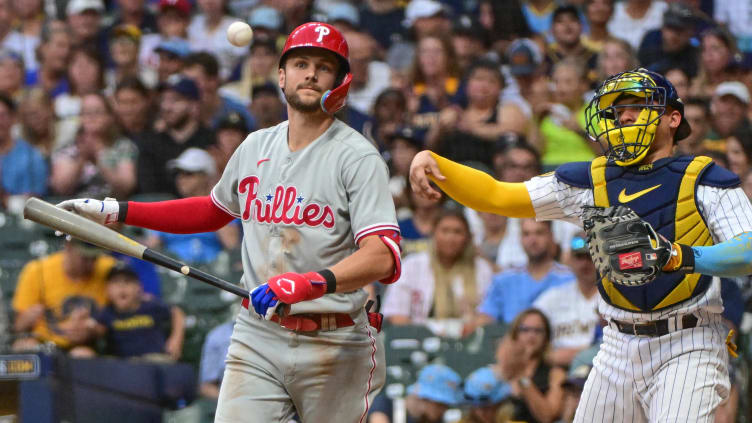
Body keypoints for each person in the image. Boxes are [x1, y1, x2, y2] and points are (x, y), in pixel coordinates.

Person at [58, 22, 401, 422]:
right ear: (281, 75)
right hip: (260, 332)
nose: (310, 73)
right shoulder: (256, 145)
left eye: (324, 67)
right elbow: (213, 210)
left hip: (336, 338)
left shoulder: (357, 157)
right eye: (301, 63)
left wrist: (310, 282)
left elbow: (383, 257)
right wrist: (118, 211)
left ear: (341, 82)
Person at [409, 67, 752, 421]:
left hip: (689, 340)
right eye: (617, 111)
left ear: (673, 118)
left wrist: (678, 256)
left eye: (637, 105)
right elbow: (498, 195)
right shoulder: (590, 180)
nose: (626, 116)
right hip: (617, 344)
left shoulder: (704, 178)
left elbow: (749, 250)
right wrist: (433, 161)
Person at [383, 207, 493, 335]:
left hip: (467, 339)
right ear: (434, 233)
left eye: (457, 232)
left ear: (467, 237)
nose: (450, 237)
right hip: (419, 338)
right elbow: (396, 315)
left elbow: (489, 316)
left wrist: (473, 326)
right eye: (445, 231)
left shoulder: (482, 269)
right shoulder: (412, 264)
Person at [11, 239, 115, 353]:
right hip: (45, 344)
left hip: (86, 346)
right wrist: (28, 317)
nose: (90, 264)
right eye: (85, 258)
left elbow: (118, 319)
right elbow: (18, 327)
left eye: (94, 258)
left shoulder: (108, 268)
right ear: (69, 247)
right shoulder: (37, 270)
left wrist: (93, 330)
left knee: (82, 354)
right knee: (25, 347)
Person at [474, 218, 574, 325]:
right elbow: (485, 318)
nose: (533, 240)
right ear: (520, 239)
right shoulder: (504, 280)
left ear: (551, 236)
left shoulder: (569, 278)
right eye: (526, 234)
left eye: (539, 233)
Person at [136, 75, 214, 195]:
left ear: (194, 106)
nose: (166, 107)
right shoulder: (151, 143)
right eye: (163, 100)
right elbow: (149, 190)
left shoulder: (210, 140)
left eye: (175, 100)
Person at [94, 262, 185, 360]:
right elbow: (95, 331)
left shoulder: (151, 305)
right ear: (107, 289)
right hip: (120, 366)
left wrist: (176, 339)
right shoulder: (106, 313)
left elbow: (176, 312)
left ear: (139, 287)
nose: (122, 287)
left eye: (127, 281)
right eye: (115, 282)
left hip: (153, 364)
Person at [532, 234, 599, 366]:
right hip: (554, 369)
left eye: (590, 257)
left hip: (598, 368)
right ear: (570, 260)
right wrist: (545, 354)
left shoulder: (613, 297)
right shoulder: (554, 296)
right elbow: (528, 324)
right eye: (579, 257)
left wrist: (573, 355)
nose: (585, 263)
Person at [495, 308, 566, 423]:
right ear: (514, 334)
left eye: (538, 330)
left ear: (546, 338)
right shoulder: (500, 370)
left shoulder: (555, 374)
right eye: (525, 329)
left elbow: (547, 417)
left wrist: (523, 379)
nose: (531, 335)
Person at [368, 364, 462, 423]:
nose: (443, 411)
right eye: (440, 405)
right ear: (423, 398)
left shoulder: (436, 420)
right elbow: (377, 418)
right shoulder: (384, 406)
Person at [0, 93, 48, 201]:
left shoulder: (32, 156)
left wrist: (5, 199)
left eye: (2, 116)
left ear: (13, 118)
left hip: (18, 216)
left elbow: (34, 201)